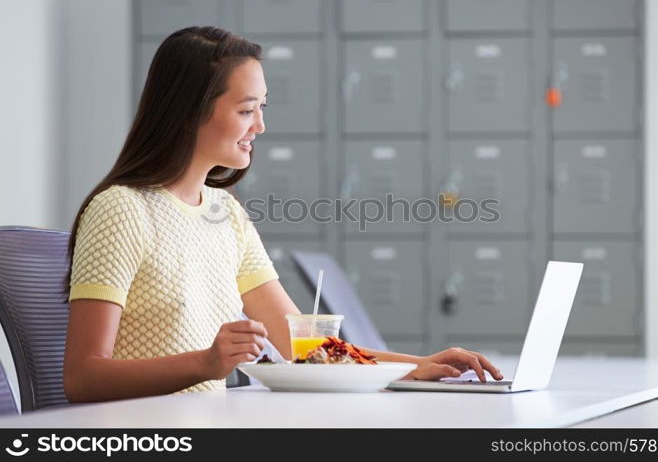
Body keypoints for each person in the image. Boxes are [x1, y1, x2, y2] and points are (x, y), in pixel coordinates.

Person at [62, 26, 503, 402]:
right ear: (189, 113)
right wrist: (208, 362)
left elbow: (301, 348)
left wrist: (417, 367)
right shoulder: (121, 209)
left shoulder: (224, 213)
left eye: (261, 108)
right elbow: (82, 378)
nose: (260, 127)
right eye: (246, 110)